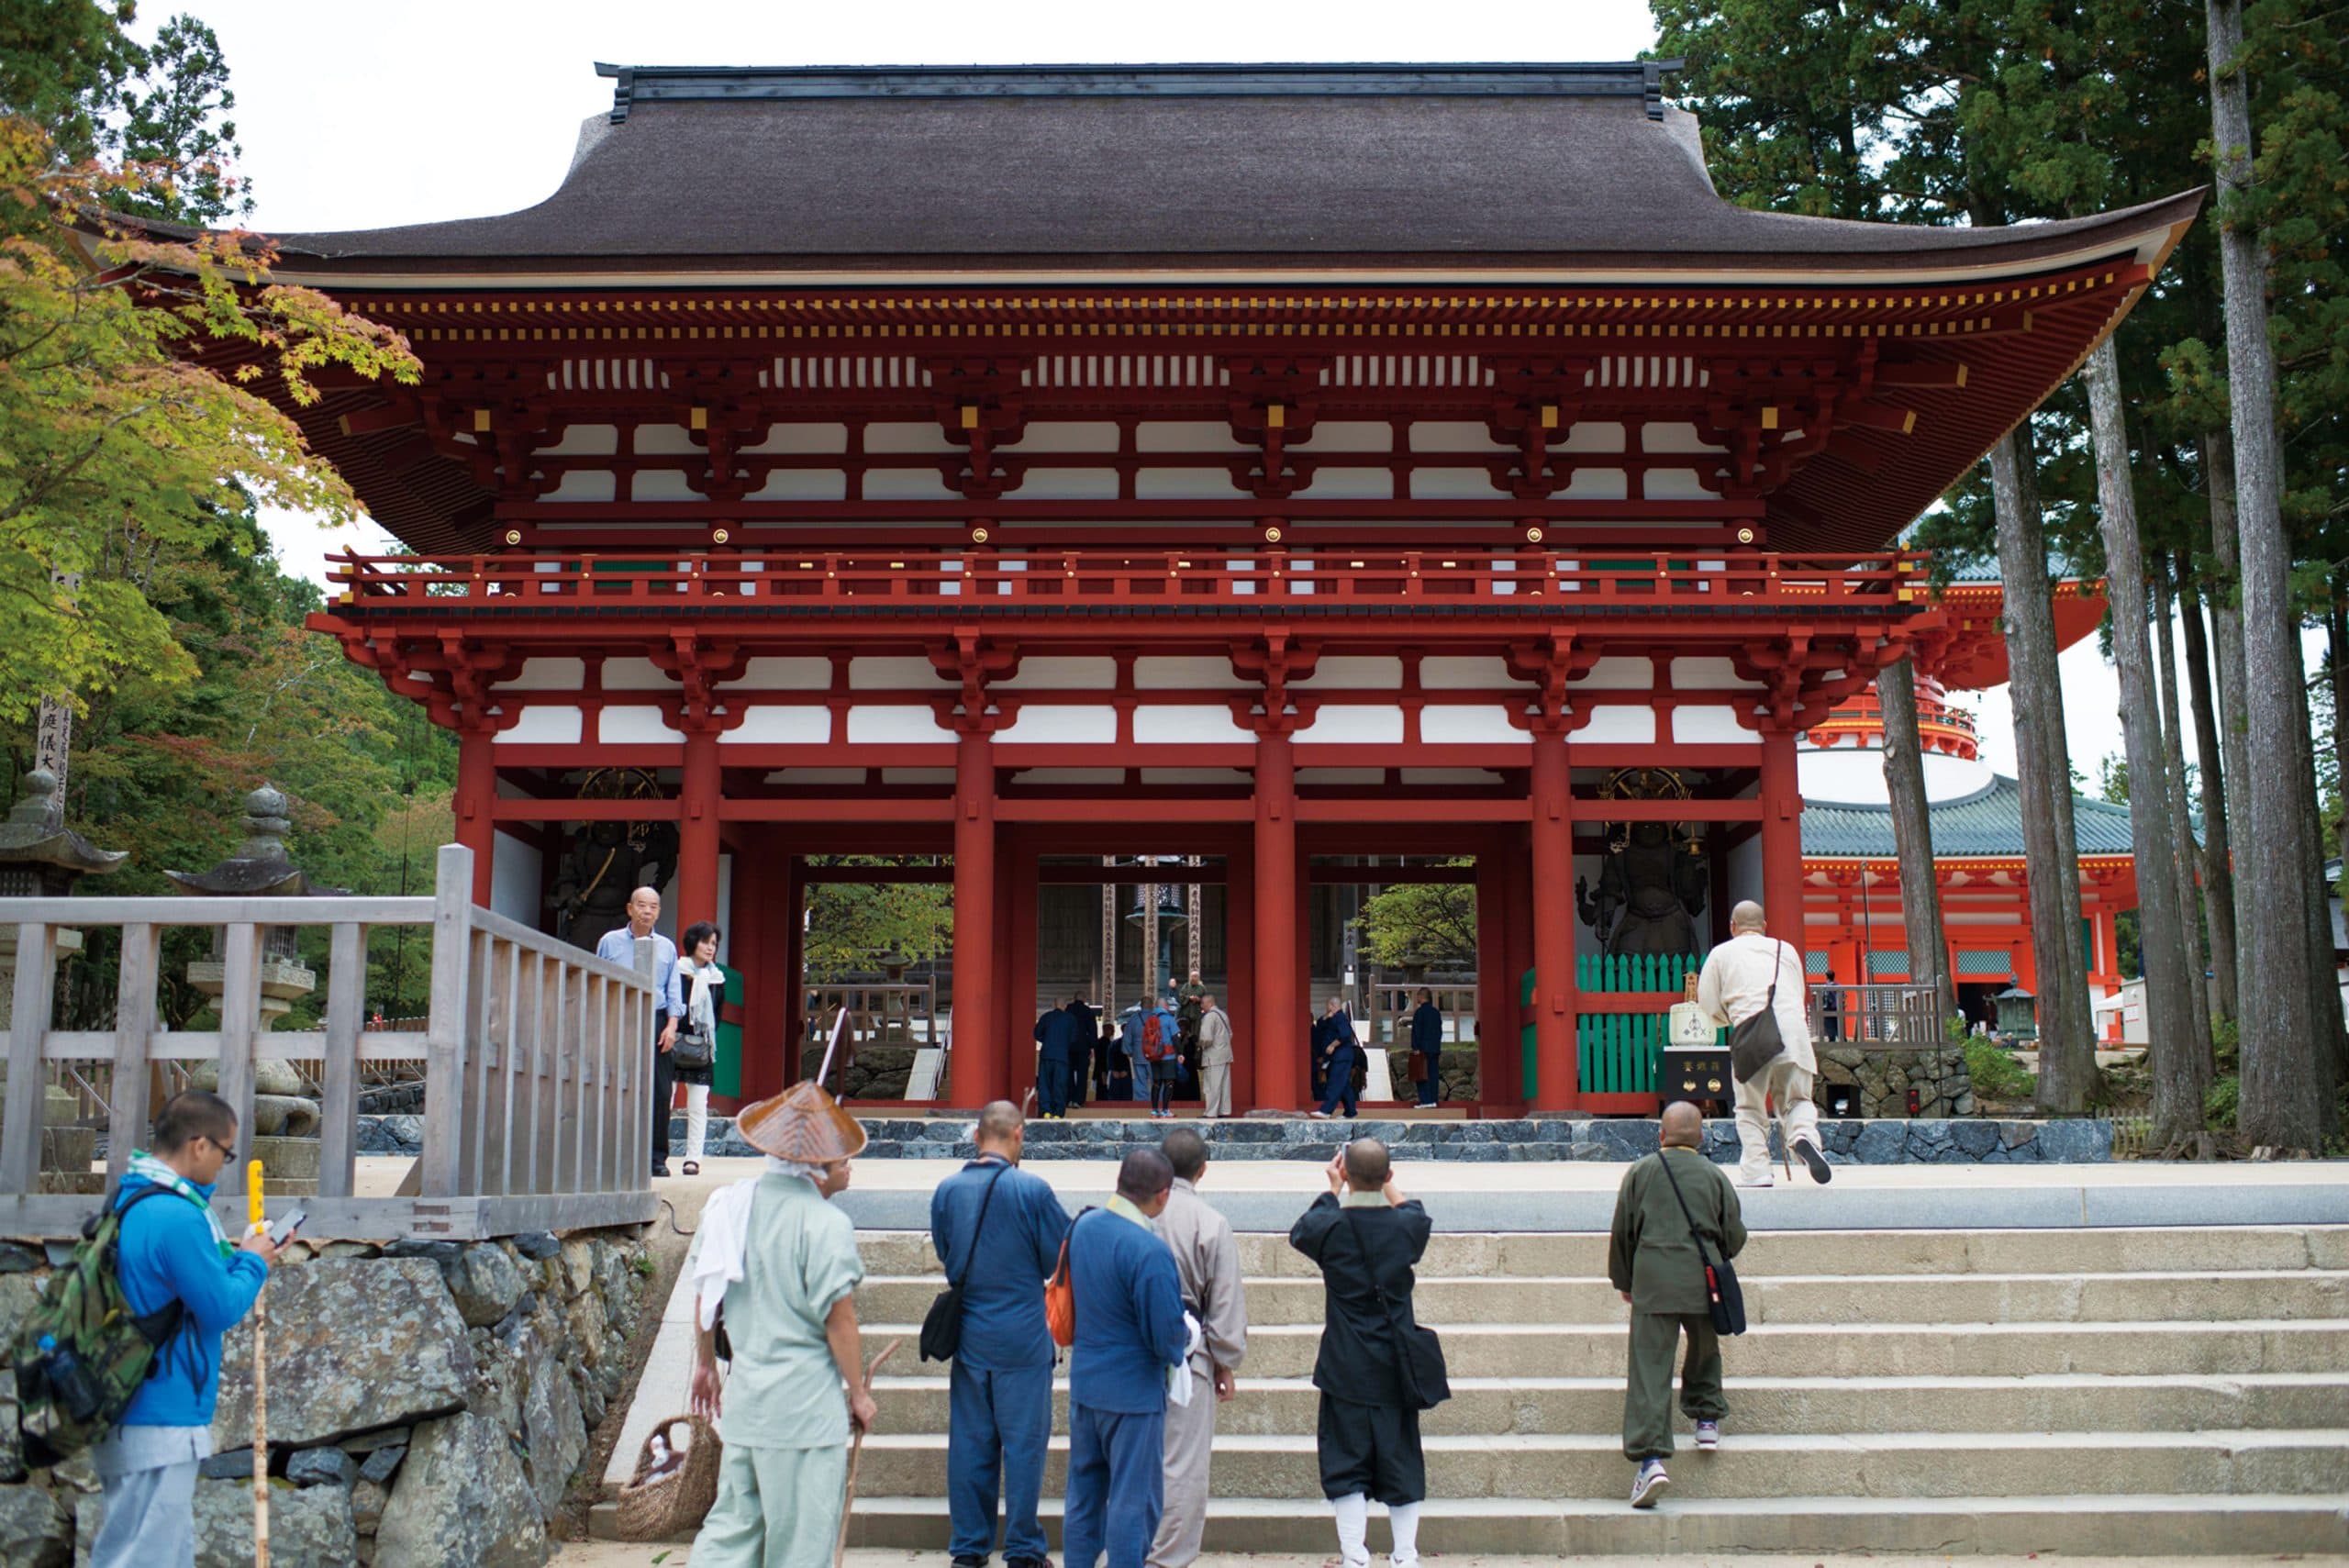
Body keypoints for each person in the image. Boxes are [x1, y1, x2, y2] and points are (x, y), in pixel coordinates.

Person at [87, 1091, 282, 1568]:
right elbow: (220, 1306)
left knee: (150, 1552)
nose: (223, 1165)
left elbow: (184, 1287)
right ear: (199, 1145)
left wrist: (243, 1257)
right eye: (225, 1152)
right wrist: (255, 1263)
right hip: (160, 1413)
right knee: (144, 1558)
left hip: (125, 1405)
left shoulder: (131, 1199)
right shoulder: (177, 1215)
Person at [689, 1082, 878, 1568]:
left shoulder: (727, 1209)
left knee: (731, 1534)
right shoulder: (824, 1224)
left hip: (747, 1404)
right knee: (800, 1545)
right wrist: (858, 1393)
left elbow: (707, 1297)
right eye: (842, 1159)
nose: (849, 1167)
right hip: (804, 1413)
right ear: (817, 1168)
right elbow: (840, 1321)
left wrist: (705, 1365)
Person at [930, 1103, 1074, 1568]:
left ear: (976, 1137)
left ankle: (969, 1547)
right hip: (1023, 1333)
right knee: (1024, 1446)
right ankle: (1023, 1547)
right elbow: (1057, 1259)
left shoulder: (947, 1190)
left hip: (971, 1332)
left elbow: (947, 1252)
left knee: (970, 1444)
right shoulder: (1032, 1190)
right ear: (1018, 1134)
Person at [1289, 1139, 1434, 1568]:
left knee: (1345, 1459)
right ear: (1389, 1176)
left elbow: (1302, 1231)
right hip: (1396, 1362)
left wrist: (1333, 1188)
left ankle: (1355, 1555)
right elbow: (1415, 1213)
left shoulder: (1331, 1227)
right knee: (1401, 1457)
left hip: (1345, 1361)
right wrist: (1385, 1183)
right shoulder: (1405, 1227)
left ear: (1345, 1174)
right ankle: (1405, 1555)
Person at [1607, 1100, 1747, 1507]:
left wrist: (1624, 1280)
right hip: (1703, 1280)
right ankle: (1706, 1418)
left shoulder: (1641, 1172)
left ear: (1661, 1135)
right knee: (1704, 1347)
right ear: (1701, 1137)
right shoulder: (1713, 1175)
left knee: (1650, 1367)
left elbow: (1623, 1233)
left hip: (1653, 1280)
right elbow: (1734, 1234)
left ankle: (1651, 1460)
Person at [1063, 1150, 1190, 1568]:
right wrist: (1186, 1336)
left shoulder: (1083, 1227)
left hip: (1086, 1384)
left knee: (1083, 1496)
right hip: (1133, 1394)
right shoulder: (1149, 1250)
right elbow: (1165, 1337)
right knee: (1133, 1501)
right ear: (1163, 1195)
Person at [1148, 1129, 1247, 1568]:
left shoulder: (1134, 1214)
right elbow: (1224, 1302)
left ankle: (1124, 1549)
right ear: (1203, 1169)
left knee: (1128, 1460)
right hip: (1189, 1354)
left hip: (1129, 1351)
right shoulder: (1211, 1222)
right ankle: (1166, 1558)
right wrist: (1225, 1360)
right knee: (1182, 1465)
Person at [1697, 900, 1831, 1187]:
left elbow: (1708, 1004)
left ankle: (1757, 1171)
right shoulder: (1786, 950)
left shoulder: (1721, 954)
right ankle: (1803, 1135)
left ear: (1732, 926)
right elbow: (1798, 993)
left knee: (1749, 1107)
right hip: (1794, 1035)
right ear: (1764, 926)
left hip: (1751, 1034)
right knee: (1798, 1100)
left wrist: (1727, 1019)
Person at [597, 885, 681, 1176]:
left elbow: (673, 991)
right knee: (616, 1086)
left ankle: (656, 1158)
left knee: (660, 1091)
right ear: (630, 909)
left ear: (658, 912)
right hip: (620, 1018)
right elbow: (599, 982)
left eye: (653, 906)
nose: (647, 911)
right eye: (642, 905)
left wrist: (671, 1026)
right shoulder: (610, 942)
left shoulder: (667, 947)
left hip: (657, 1020)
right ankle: (615, 1155)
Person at [668, 921, 728, 1175]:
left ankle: (693, 1158)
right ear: (693, 942)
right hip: (673, 1041)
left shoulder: (717, 979)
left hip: (701, 1046)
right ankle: (657, 1153)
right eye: (705, 942)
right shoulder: (676, 971)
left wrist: (703, 1038)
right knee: (664, 1100)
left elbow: (718, 1015)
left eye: (714, 943)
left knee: (698, 1105)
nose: (710, 947)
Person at [1034, 995, 1087, 1119]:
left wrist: (1047, 1040)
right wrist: (1063, 1044)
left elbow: (1037, 1034)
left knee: (1045, 1084)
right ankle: (1058, 1113)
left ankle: (1046, 1111)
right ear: (1065, 1006)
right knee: (1060, 1084)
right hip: (1062, 1056)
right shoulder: (1070, 1019)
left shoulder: (1046, 1017)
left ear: (1054, 1005)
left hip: (1046, 1054)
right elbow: (1074, 1038)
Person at [1310, 995, 1360, 1120]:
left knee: (1335, 1083)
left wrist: (1332, 1045)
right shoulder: (1332, 1018)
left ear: (1332, 1005)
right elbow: (1320, 1025)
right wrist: (1327, 1016)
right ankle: (1350, 1112)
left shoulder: (1340, 1017)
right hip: (1335, 1057)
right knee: (1344, 1085)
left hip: (1341, 1056)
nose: (1327, 1008)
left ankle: (1326, 1110)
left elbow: (1345, 1034)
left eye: (1328, 1006)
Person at [1195, 993, 1234, 1119]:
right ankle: (1224, 1111)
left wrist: (1200, 1045)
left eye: (1203, 1003)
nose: (1201, 1006)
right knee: (1224, 1085)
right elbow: (1230, 1034)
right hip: (1225, 1054)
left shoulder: (1210, 1017)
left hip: (1213, 1056)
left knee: (1212, 1086)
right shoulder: (1223, 1015)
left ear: (1210, 1003)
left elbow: (1206, 1038)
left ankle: (1211, 1112)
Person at [1408, 988, 1443, 1107]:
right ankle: (1433, 1100)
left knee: (1422, 1074)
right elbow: (1439, 1031)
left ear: (1421, 997)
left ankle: (1426, 1100)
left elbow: (1416, 1031)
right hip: (1434, 1048)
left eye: (1418, 996)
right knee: (1433, 1074)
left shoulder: (1420, 1012)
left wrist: (1415, 1047)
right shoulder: (1436, 1012)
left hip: (1422, 1048)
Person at [1065, 994, 1097, 1110]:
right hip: (1083, 1047)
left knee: (1068, 1074)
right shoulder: (1088, 1011)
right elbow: (1092, 1030)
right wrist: (1092, 1046)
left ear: (1074, 999)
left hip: (1068, 1047)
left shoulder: (1068, 1010)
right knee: (1082, 1074)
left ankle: (1069, 1099)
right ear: (1084, 999)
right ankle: (1079, 1100)